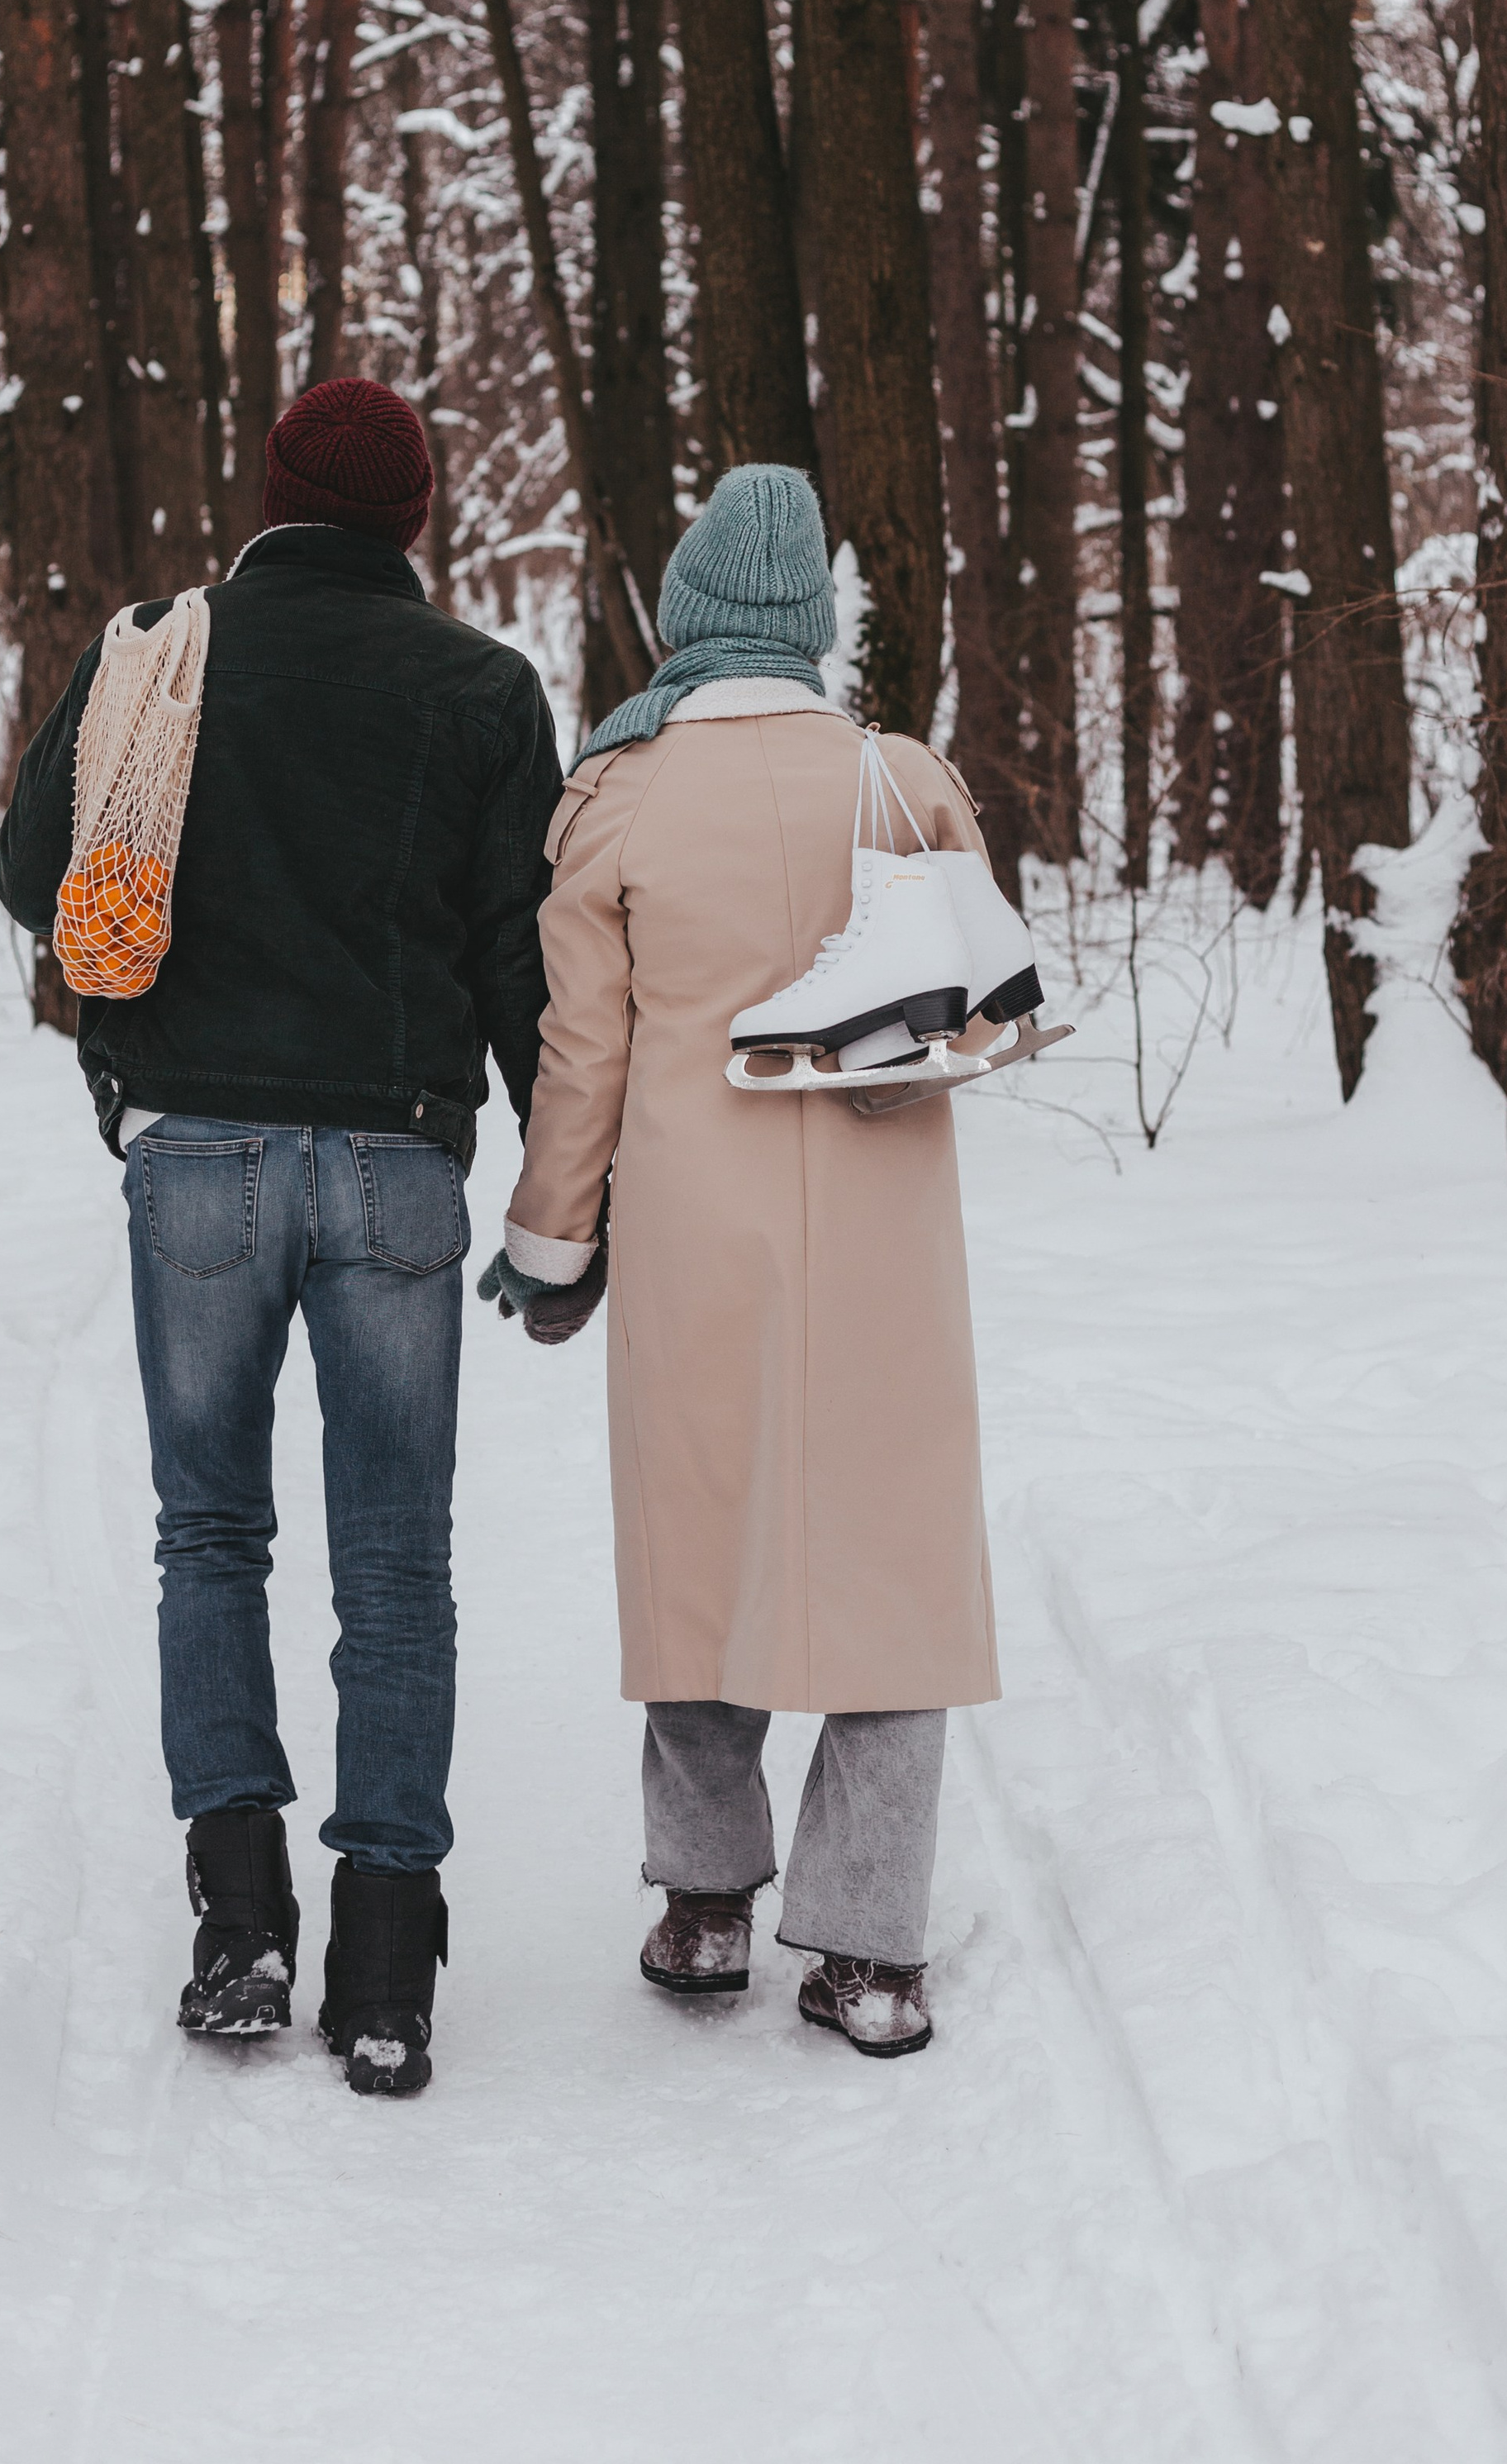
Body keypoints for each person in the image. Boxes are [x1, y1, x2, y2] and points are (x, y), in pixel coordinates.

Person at [0, 378, 562, 2096]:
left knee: (209, 1539)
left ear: (265, 494)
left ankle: (239, 1921)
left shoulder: (159, 653)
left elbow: (39, 876)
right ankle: (385, 1965)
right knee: (396, 1568)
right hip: (394, 1161)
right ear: (419, 517)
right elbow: (518, 961)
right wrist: (570, 1191)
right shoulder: (481, 689)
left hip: (196, 1160)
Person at [481, 464, 1001, 2057]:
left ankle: (707, 1908)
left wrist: (555, 1244)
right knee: (890, 1561)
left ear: (687, 619)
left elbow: (585, 1057)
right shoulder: (901, 780)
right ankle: (871, 1951)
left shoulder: (619, 794)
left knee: (701, 1547)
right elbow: (979, 989)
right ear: (813, 628)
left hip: (699, 1239)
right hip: (882, 1243)